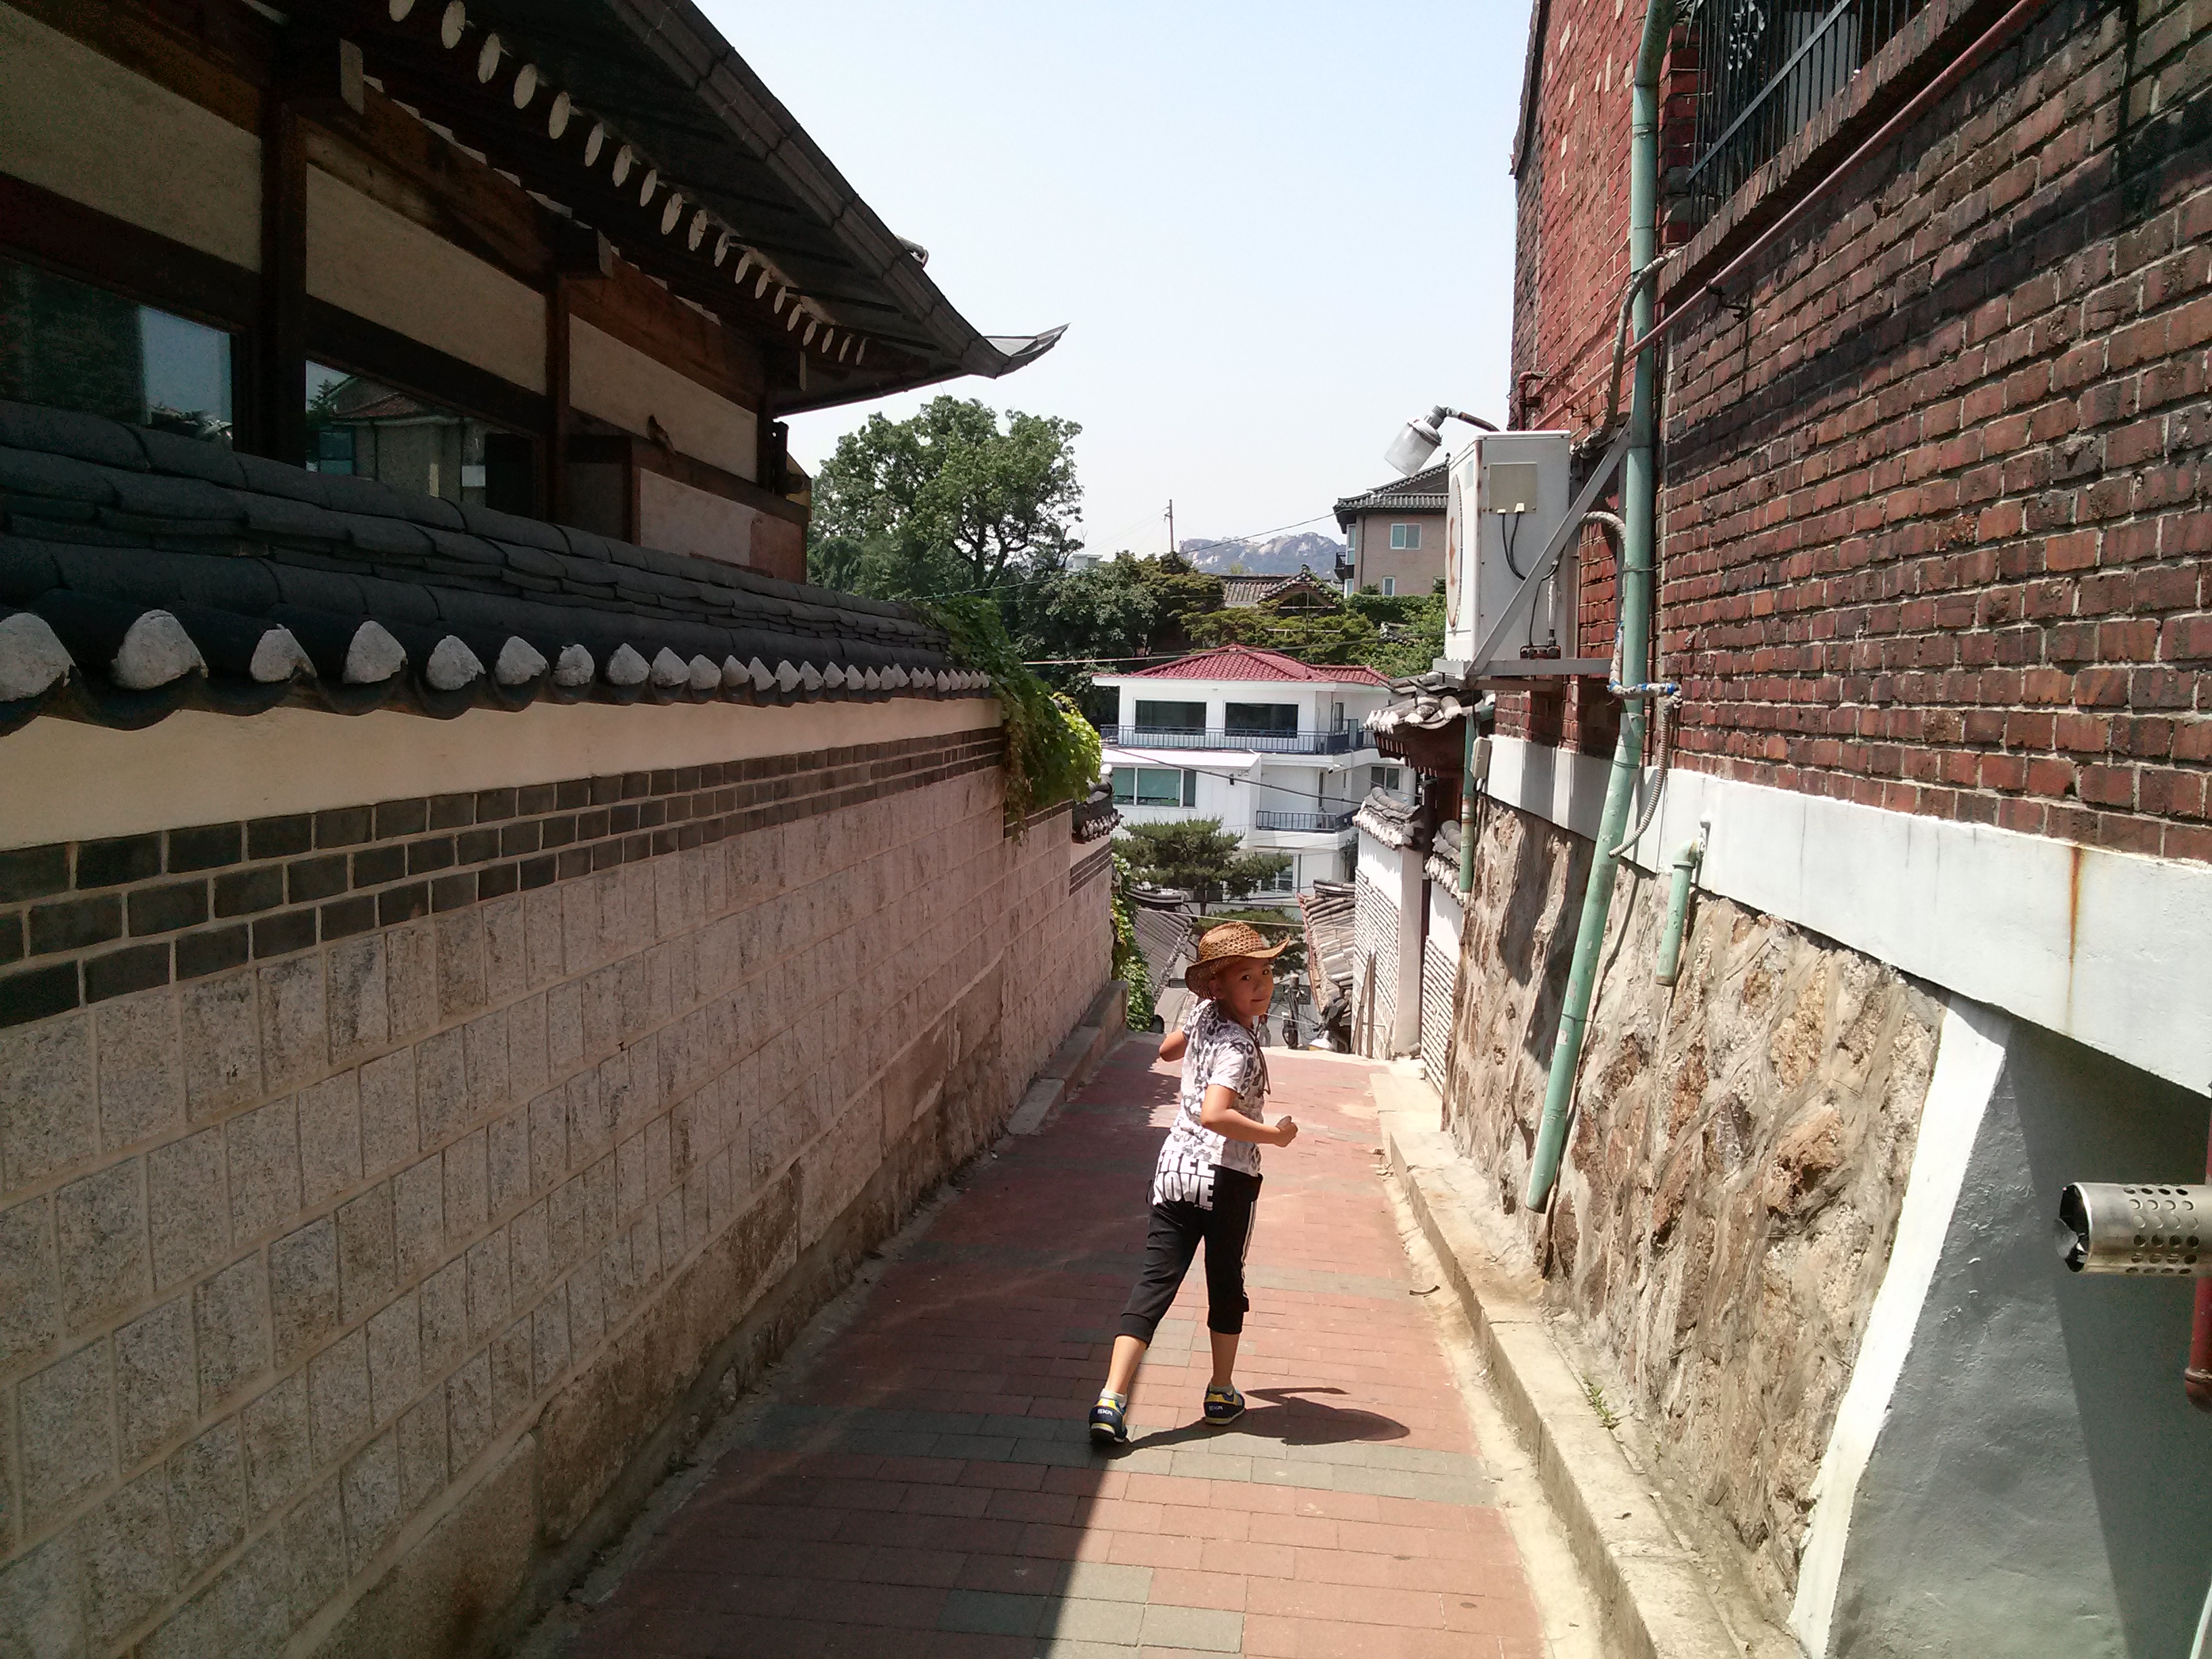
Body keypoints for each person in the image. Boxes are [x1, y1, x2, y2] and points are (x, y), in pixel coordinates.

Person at [1090, 922, 1300, 1445]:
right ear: (1219, 987)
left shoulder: (1205, 1015)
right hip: (1226, 1180)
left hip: (1175, 1173)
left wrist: (1192, 1030)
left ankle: (1111, 1399)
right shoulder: (1238, 1047)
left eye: (1266, 972)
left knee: (1154, 1283)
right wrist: (1274, 1136)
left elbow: (1167, 1051)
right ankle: (1221, 1392)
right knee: (1225, 1284)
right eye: (1246, 977)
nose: (1262, 985)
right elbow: (1215, 1114)